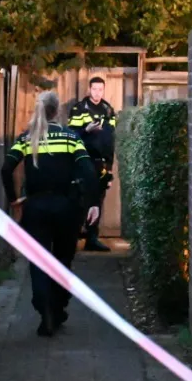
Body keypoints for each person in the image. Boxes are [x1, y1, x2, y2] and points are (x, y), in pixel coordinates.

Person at [1, 91, 101, 337]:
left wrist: (14, 200)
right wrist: (92, 203)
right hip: (67, 208)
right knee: (63, 261)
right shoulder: (70, 137)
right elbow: (88, 171)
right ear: (58, 111)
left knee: (38, 261)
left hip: (36, 209)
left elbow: (6, 168)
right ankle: (57, 308)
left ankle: (44, 307)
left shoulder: (27, 138)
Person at [68, 76, 116, 252]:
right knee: (80, 197)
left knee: (98, 198)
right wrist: (86, 130)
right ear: (89, 90)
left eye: (100, 89)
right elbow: (71, 135)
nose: (97, 93)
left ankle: (92, 238)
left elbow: (110, 141)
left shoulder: (108, 110)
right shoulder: (79, 109)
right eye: (94, 89)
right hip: (82, 160)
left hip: (100, 163)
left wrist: (109, 169)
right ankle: (73, 236)